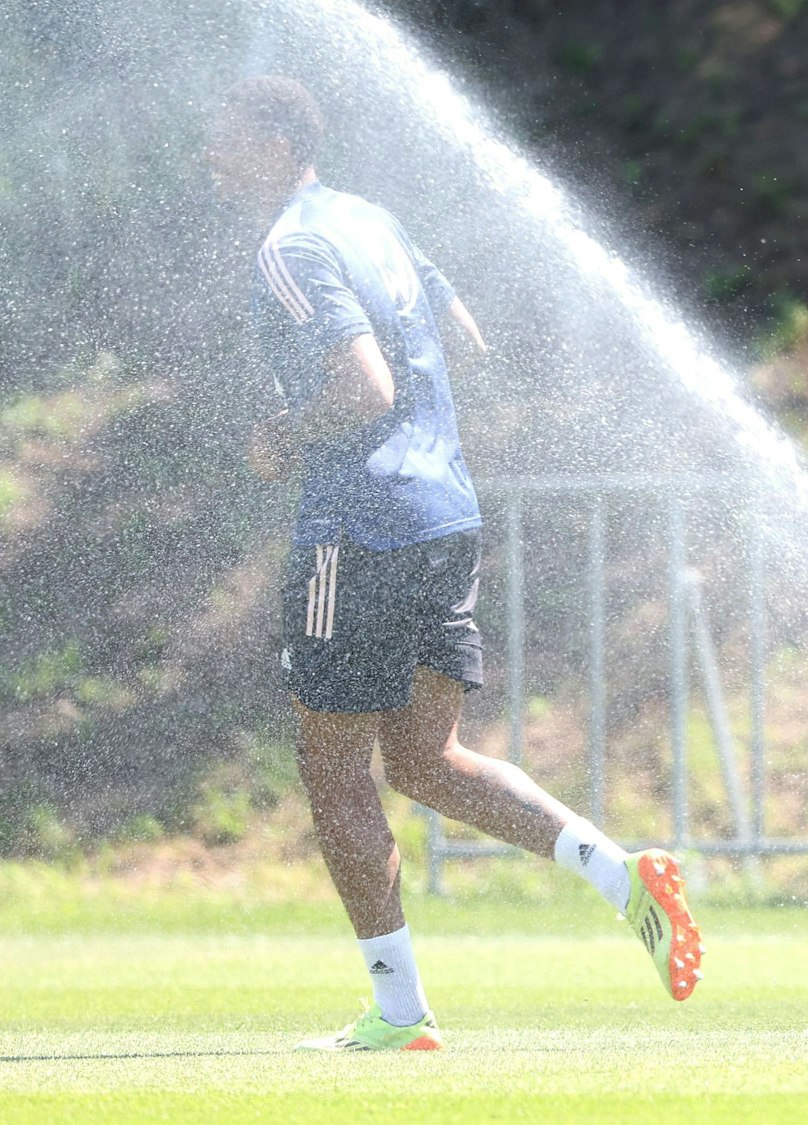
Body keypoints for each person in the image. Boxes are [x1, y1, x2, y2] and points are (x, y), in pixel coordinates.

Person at [207, 75, 705, 1052]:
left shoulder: (288, 249)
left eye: (222, 140)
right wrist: (413, 434)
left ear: (274, 140)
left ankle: (400, 1016)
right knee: (426, 762)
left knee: (334, 770)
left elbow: (360, 383)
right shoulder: (371, 221)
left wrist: (283, 435)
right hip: (444, 513)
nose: (209, 161)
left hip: (357, 531)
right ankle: (624, 877)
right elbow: (462, 339)